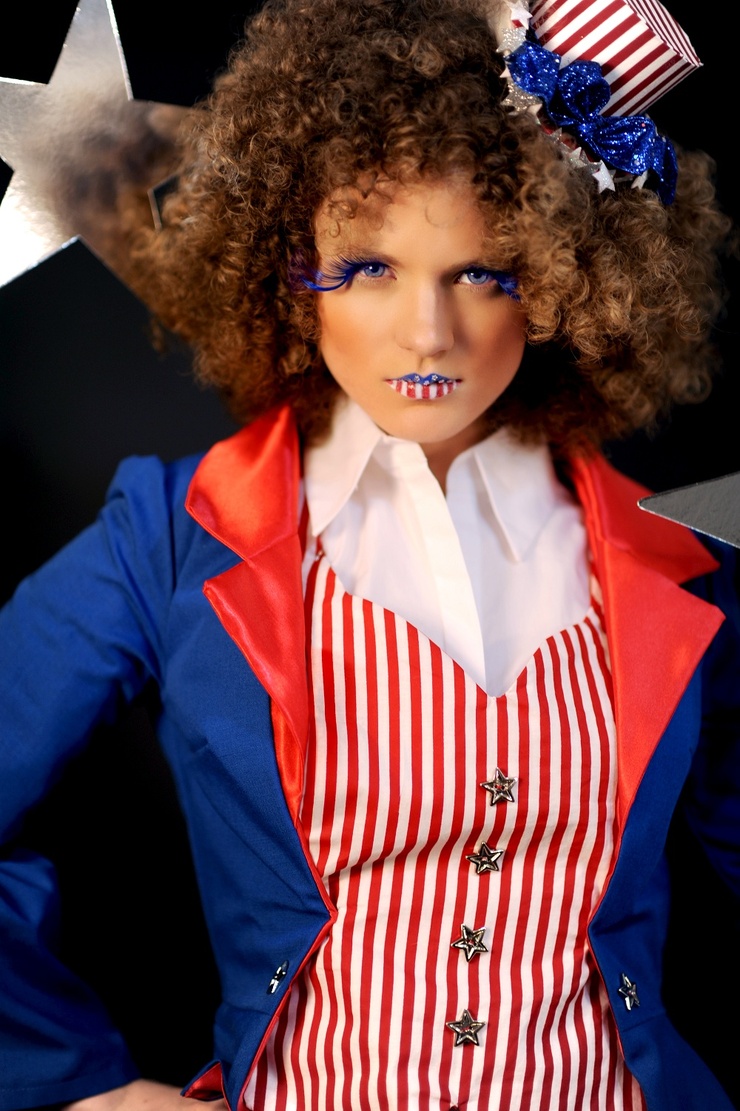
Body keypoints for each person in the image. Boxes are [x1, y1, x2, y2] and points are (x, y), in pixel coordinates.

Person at [1, 0, 738, 1108]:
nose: (426, 332)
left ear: (563, 282)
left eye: (482, 273)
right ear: (288, 272)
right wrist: (74, 1086)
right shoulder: (169, 535)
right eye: (366, 269)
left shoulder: (680, 554)